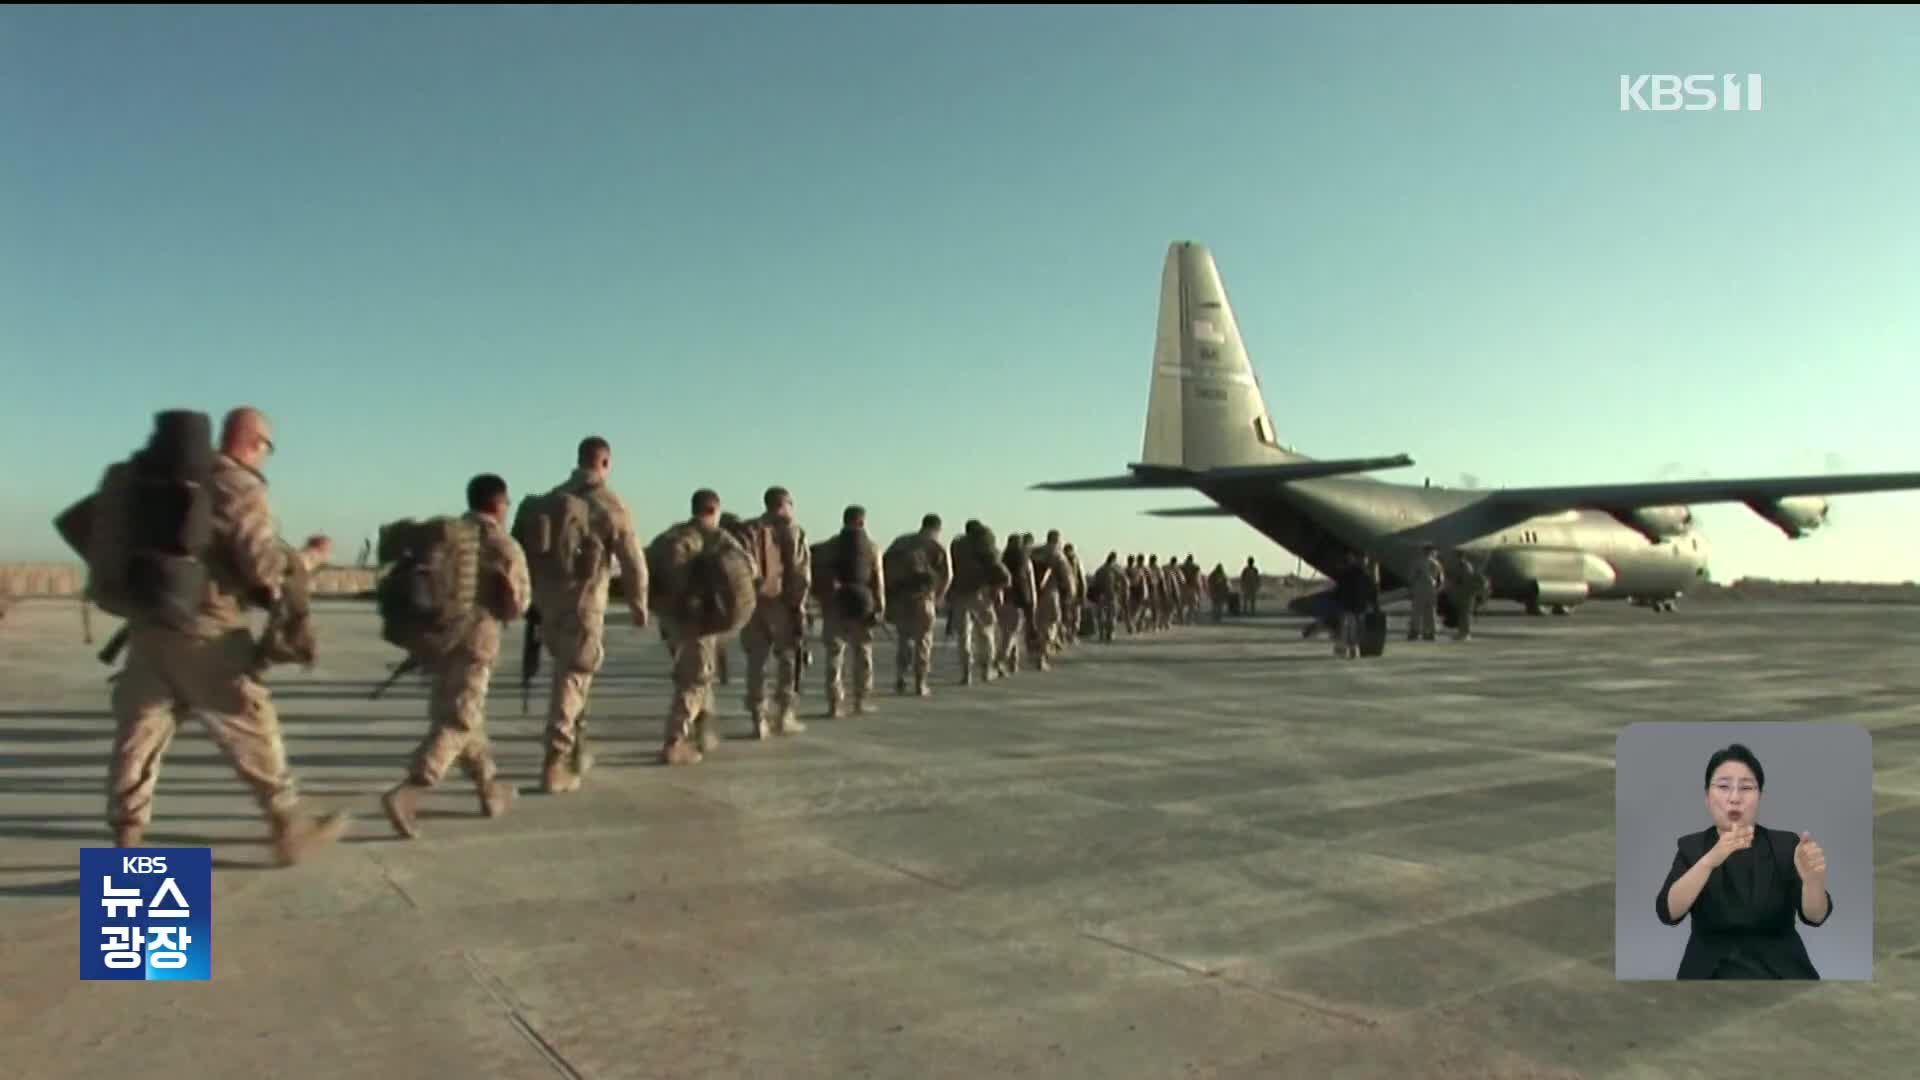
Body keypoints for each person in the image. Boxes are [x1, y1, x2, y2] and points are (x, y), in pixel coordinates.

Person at [106, 407, 349, 864]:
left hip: (149, 625)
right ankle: (289, 825)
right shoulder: (239, 484)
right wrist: (310, 560)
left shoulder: (167, 478)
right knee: (252, 723)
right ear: (256, 443)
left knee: (140, 736)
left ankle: (127, 836)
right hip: (206, 631)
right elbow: (262, 567)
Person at [380, 473, 531, 839]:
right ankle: (410, 792)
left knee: (465, 716)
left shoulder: (445, 534)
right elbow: (518, 605)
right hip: (477, 641)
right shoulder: (503, 544)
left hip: (439, 641)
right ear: (497, 503)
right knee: (460, 721)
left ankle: (490, 789)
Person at [520, 435, 649, 794]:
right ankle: (554, 762)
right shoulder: (609, 503)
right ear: (605, 463)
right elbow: (633, 559)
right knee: (574, 677)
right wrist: (639, 601)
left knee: (573, 676)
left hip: (546, 606)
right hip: (584, 605)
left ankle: (576, 749)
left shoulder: (549, 499)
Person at [1655, 743, 1833, 979]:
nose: (1734, 798)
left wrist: (1813, 882)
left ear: (1760, 797)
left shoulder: (1784, 845)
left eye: (1747, 788)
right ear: (1707, 797)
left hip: (1780, 968)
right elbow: (1668, 913)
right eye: (1723, 787)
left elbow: (1815, 916)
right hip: (1710, 970)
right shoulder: (1693, 847)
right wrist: (1710, 860)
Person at [657, 489, 747, 765]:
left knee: (693, 674)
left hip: (670, 618)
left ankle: (703, 730)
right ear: (715, 510)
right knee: (696, 680)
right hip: (702, 620)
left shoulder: (671, 535)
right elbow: (748, 570)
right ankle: (675, 740)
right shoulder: (718, 538)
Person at [739, 486, 810, 738]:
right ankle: (784, 714)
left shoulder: (748, 530)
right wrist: (799, 607)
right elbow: (801, 575)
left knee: (756, 662)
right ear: (787, 503)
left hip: (753, 605)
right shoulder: (794, 531)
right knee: (787, 659)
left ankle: (758, 717)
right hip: (783, 605)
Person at [820, 504, 884, 716]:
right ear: (862, 521)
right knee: (863, 652)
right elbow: (878, 581)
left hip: (835, 603)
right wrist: (880, 606)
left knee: (835, 654)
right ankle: (860, 699)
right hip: (862, 603)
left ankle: (834, 702)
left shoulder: (830, 545)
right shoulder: (872, 547)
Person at [884, 514, 953, 696]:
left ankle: (900, 678)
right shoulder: (936, 547)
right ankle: (920, 683)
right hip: (923, 599)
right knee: (923, 641)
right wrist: (937, 598)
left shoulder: (900, 542)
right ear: (937, 528)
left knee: (903, 640)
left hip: (900, 599)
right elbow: (947, 576)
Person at [1407, 544, 1444, 642]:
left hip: (1420, 588)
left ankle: (1415, 632)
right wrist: (1438, 589)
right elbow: (1441, 579)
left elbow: (1412, 577)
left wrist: (1412, 587)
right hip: (1432, 589)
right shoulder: (1436, 563)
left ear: (1423, 551)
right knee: (1430, 612)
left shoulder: (1418, 562)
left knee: (1417, 611)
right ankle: (1430, 632)